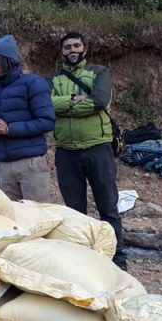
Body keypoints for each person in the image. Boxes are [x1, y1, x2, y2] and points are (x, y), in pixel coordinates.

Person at [49, 31, 126, 269]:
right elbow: (46, 104)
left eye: (76, 46)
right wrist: (76, 99)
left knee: (108, 207)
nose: (72, 50)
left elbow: (99, 100)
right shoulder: (53, 79)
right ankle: (82, 262)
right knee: (75, 212)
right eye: (67, 47)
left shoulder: (99, 72)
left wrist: (64, 105)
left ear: (84, 49)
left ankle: (117, 259)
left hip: (98, 147)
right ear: (61, 52)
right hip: (66, 151)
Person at [0, 34, 55, 202]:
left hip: (31, 163)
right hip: (3, 165)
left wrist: (9, 129)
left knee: (38, 214)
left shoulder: (33, 83)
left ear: (8, 60)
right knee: (13, 216)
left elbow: (47, 121)